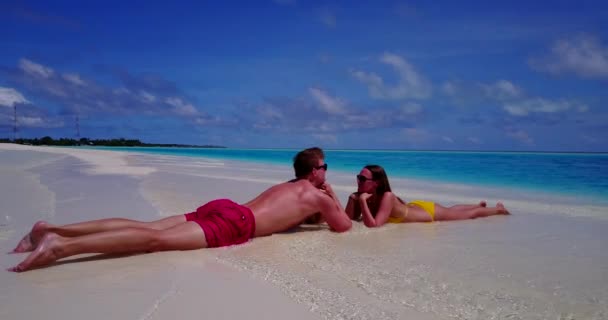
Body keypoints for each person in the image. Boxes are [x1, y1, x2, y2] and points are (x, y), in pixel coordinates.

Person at [9, 147, 351, 272]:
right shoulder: (316, 194)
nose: (326, 172)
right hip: (237, 223)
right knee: (152, 240)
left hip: (226, 206)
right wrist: (332, 194)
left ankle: (51, 228)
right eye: (325, 167)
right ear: (315, 170)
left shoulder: (288, 186)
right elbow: (343, 227)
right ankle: (60, 247)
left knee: (148, 227)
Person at [345, 165, 509, 227]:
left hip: (427, 214)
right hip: (414, 206)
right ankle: (478, 205)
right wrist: (352, 199)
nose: (358, 180)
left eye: (362, 178)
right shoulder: (363, 196)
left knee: (467, 216)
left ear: (376, 183)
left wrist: (362, 202)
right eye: (358, 177)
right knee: (452, 209)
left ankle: (497, 210)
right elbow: (348, 221)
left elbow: (374, 225)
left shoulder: (387, 196)